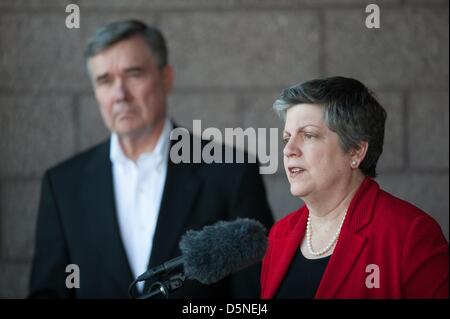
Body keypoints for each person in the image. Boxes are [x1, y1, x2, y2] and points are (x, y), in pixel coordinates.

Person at [29, 20, 273, 298]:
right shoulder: (62, 185)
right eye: (105, 80)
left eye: (133, 74)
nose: (120, 94)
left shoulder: (231, 172)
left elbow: (255, 297)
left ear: (166, 78)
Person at [260, 76, 448, 299]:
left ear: (356, 151)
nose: (289, 149)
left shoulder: (411, 235)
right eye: (286, 138)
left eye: (308, 135)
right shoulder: (280, 234)